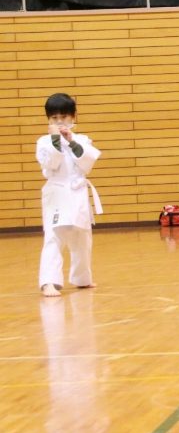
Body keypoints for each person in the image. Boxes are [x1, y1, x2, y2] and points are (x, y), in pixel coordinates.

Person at [37, 93, 103, 297]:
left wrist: (71, 140)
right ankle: (49, 281)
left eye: (64, 117)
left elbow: (88, 162)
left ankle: (82, 278)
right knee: (54, 236)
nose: (59, 122)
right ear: (48, 120)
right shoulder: (44, 142)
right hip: (57, 193)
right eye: (54, 118)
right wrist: (57, 141)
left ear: (73, 117)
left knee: (82, 237)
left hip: (78, 192)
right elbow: (50, 164)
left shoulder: (81, 139)